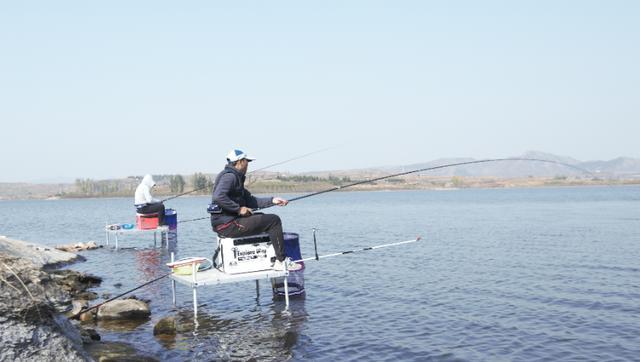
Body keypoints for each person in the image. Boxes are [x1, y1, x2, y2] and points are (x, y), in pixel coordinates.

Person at [209, 149, 302, 271]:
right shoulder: (230, 177)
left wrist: (273, 200)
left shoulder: (234, 177)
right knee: (274, 220)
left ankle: (268, 256)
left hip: (226, 224)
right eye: (247, 161)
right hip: (228, 225)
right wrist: (239, 209)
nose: (248, 164)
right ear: (240, 162)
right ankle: (281, 261)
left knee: (263, 217)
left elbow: (251, 201)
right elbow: (218, 196)